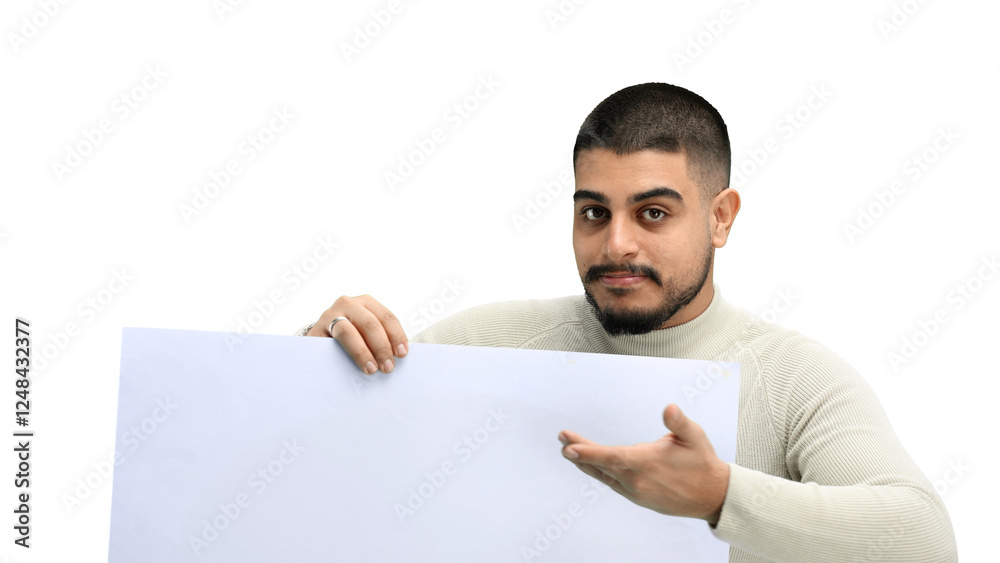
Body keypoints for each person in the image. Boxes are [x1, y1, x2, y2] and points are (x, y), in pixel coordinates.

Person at [297, 83, 958, 562]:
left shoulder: (794, 378)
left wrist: (720, 496)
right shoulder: (483, 343)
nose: (616, 244)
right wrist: (310, 365)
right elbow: (321, 479)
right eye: (594, 212)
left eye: (653, 213)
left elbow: (925, 540)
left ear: (720, 217)